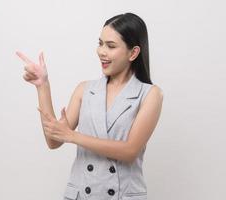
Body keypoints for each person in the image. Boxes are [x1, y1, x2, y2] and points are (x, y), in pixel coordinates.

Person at [16, 12, 163, 200]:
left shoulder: (150, 94)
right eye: (100, 43)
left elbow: (129, 151)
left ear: (133, 52)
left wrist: (73, 136)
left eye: (111, 46)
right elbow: (54, 140)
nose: (102, 51)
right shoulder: (84, 89)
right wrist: (42, 86)